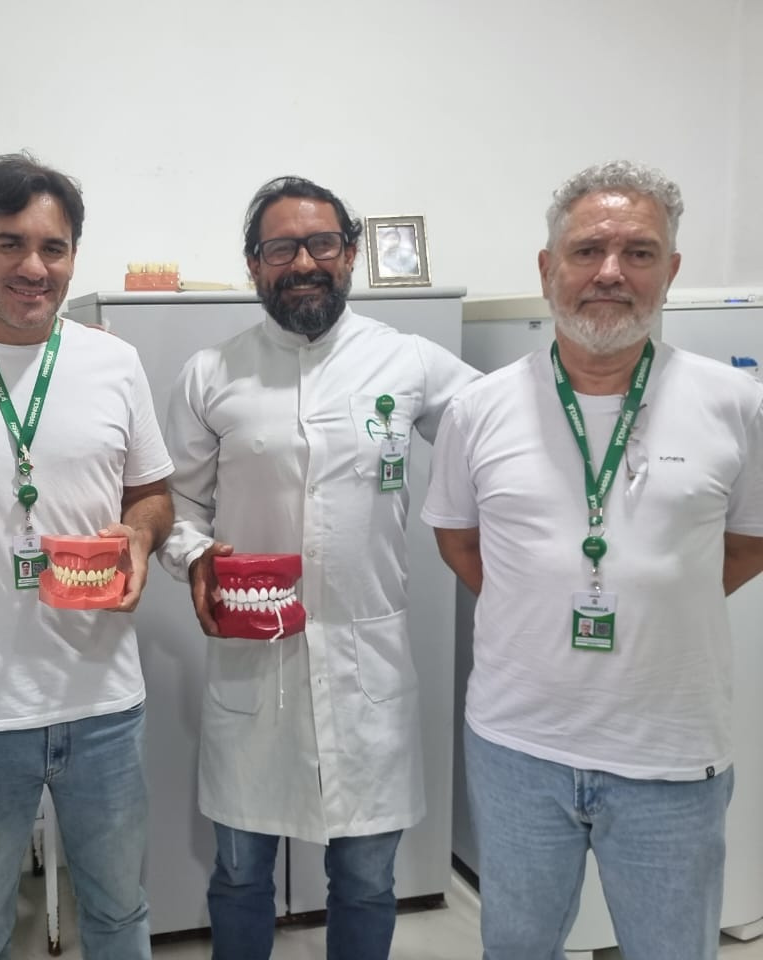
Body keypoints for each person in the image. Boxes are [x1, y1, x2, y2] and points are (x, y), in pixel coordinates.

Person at [422, 160, 763, 960]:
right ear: (549, 269)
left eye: (639, 253)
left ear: (670, 271)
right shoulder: (479, 409)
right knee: (516, 947)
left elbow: (751, 540)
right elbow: (458, 539)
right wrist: (538, 601)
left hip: (671, 755)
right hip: (517, 746)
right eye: (587, 251)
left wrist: (662, 600)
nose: (610, 272)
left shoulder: (735, 404)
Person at [159, 176, 477, 960]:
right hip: (252, 664)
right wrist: (194, 556)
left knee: (365, 880)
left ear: (351, 253)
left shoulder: (407, 362)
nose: (303, 262)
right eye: (281, 248)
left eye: (321, 243)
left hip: (367, 673)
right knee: (240, 875)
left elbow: (502, 437)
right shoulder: (212, 373)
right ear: (253, 263)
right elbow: (176, 504)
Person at [0, 153, 173, 959]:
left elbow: (153, 494)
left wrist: (141, 535)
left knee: (119, 915)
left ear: (73, 257)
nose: (32, 267)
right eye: (10, 243)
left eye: (53, 247)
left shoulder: (114, 362)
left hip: (102, 701)